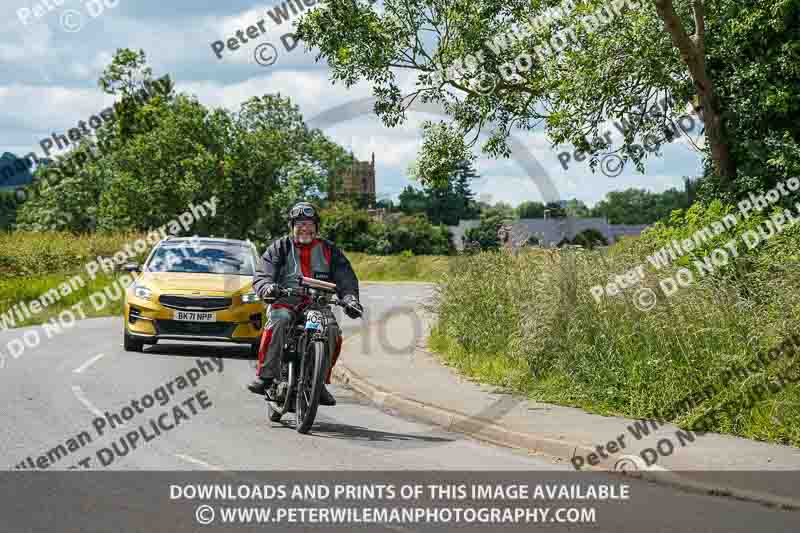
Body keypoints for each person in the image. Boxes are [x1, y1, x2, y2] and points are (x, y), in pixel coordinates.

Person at [248, 201, 363, 406]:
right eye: (300, 224)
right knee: (279, 321)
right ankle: (266, 376)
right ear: (292, 227)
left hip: (318, 303)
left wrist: (350, 298)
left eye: (309, 224)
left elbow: (346, 277)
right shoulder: (280, 247)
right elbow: (263, 273)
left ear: (316, 227)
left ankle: (319, 383)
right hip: (285, 301)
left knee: (332, 331)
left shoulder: (330, 250)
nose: (305, 228)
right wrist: (267, 288)